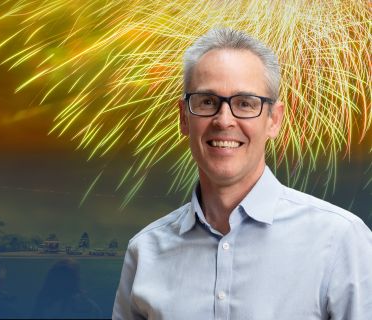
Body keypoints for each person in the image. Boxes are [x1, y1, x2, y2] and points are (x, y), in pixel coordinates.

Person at [112, 28, 372, 320]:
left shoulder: (340, 241)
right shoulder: (145, 252)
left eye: (245, 103)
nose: (224, 120)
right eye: (207, 101)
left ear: (274, 120)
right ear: (184, 118)